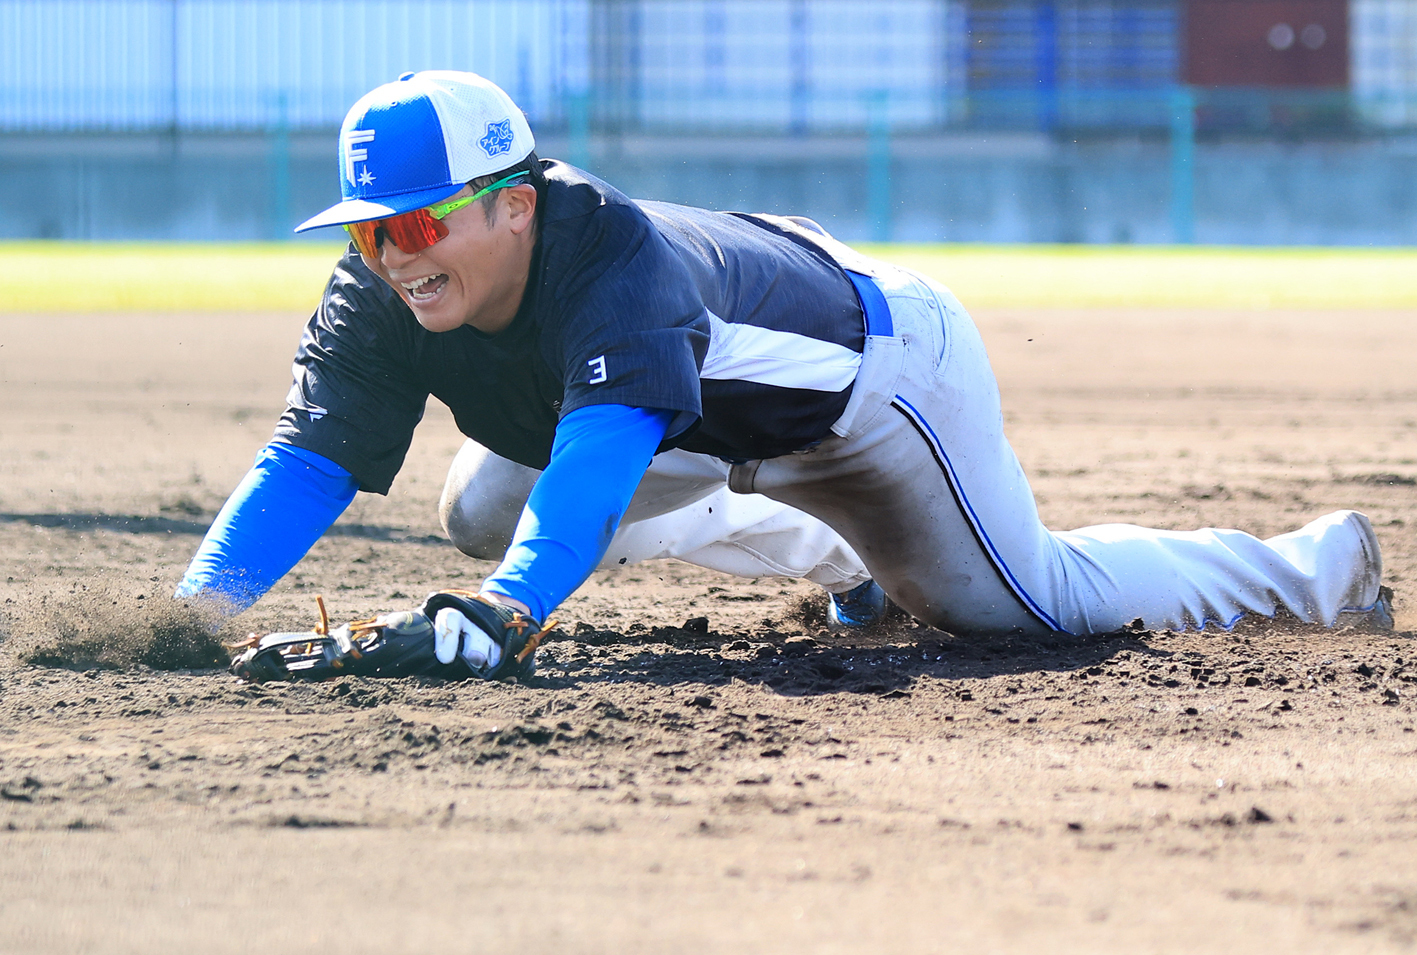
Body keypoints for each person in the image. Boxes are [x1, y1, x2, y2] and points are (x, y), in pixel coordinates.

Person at [178, 70, 1391, 676]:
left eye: (414, 222)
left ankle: (1312, 565)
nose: (390, 255)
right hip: (704, 408)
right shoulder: (383, 288)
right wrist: (192, 618)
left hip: (877, 381)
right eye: (366, 231)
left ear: (513, 204)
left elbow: (595, 468)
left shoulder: (610, 263)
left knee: (1020, 611)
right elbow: (309, 458)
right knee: (483, 502)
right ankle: (841, 553)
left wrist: (505, 616)